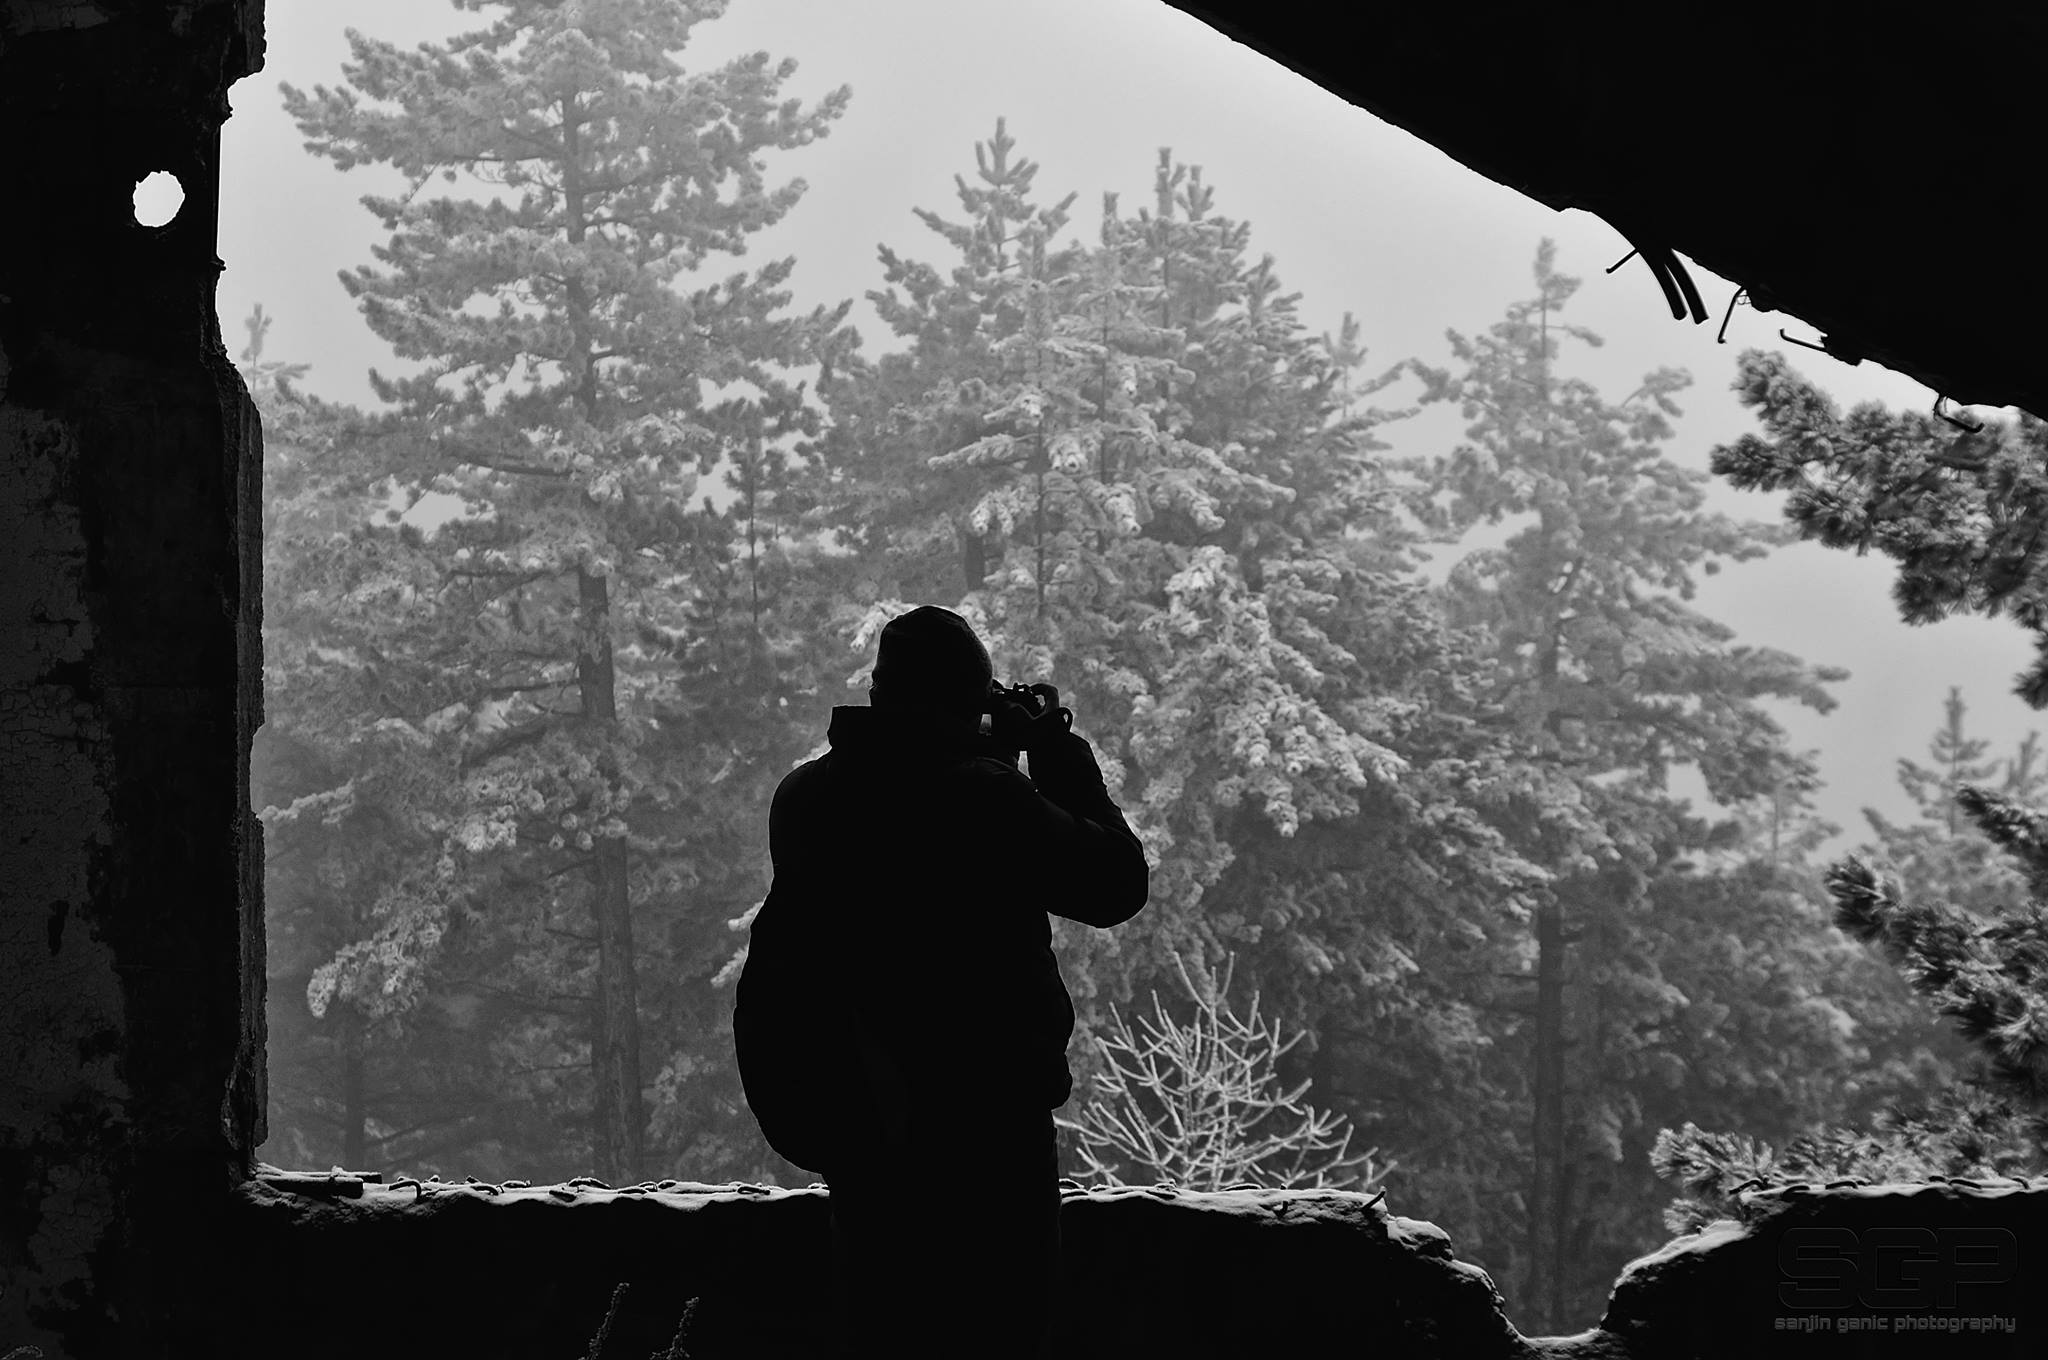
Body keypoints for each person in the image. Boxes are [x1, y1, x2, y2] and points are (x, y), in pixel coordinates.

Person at [734, 605, 1149, 1359]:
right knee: (1001, 1332)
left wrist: (991, 755)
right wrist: (1051, 747)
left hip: (863, 1128)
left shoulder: (805, 798)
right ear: (967, 698)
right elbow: (1114, 885)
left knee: (885, 1333)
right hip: (988, 1134)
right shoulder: (985, 799)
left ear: (879, 692)